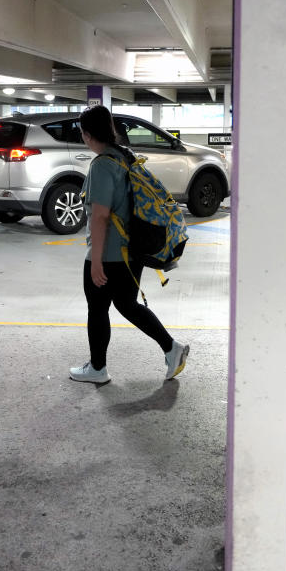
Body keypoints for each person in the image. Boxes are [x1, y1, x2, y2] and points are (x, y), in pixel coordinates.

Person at [69, 105, 189, 384]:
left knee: (98, 309)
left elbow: (99, 217)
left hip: (109, 255)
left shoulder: (101, 165)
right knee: (126, 304)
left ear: (87, 134)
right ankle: (172, 349)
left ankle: (98, 369)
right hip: (131, 251)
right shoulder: (124, 156)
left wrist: (95, 261)